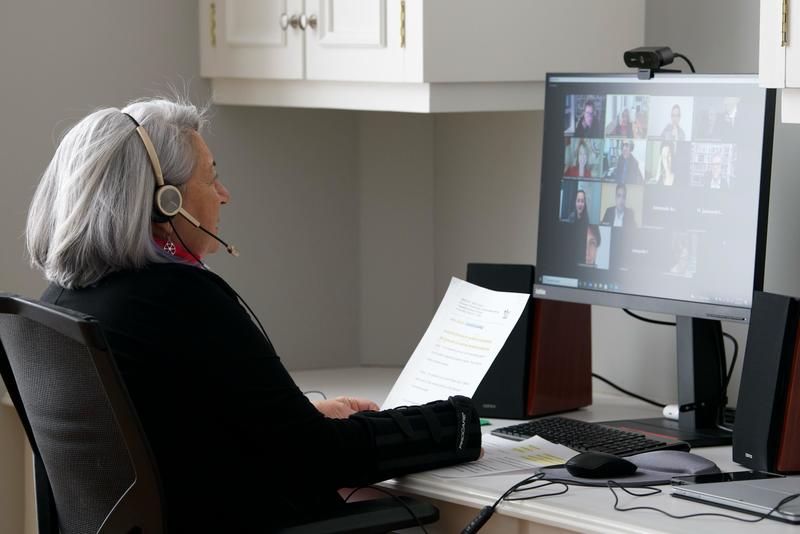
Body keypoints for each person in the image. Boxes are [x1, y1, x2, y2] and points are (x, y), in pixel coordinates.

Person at [24, 99, 482, 531]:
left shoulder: (63, 300)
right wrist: (457, 421)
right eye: (211, 177)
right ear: (165, 202)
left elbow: (174, 435)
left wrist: (296, 418)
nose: (224, 195)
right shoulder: (178, 297)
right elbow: (320, 458)